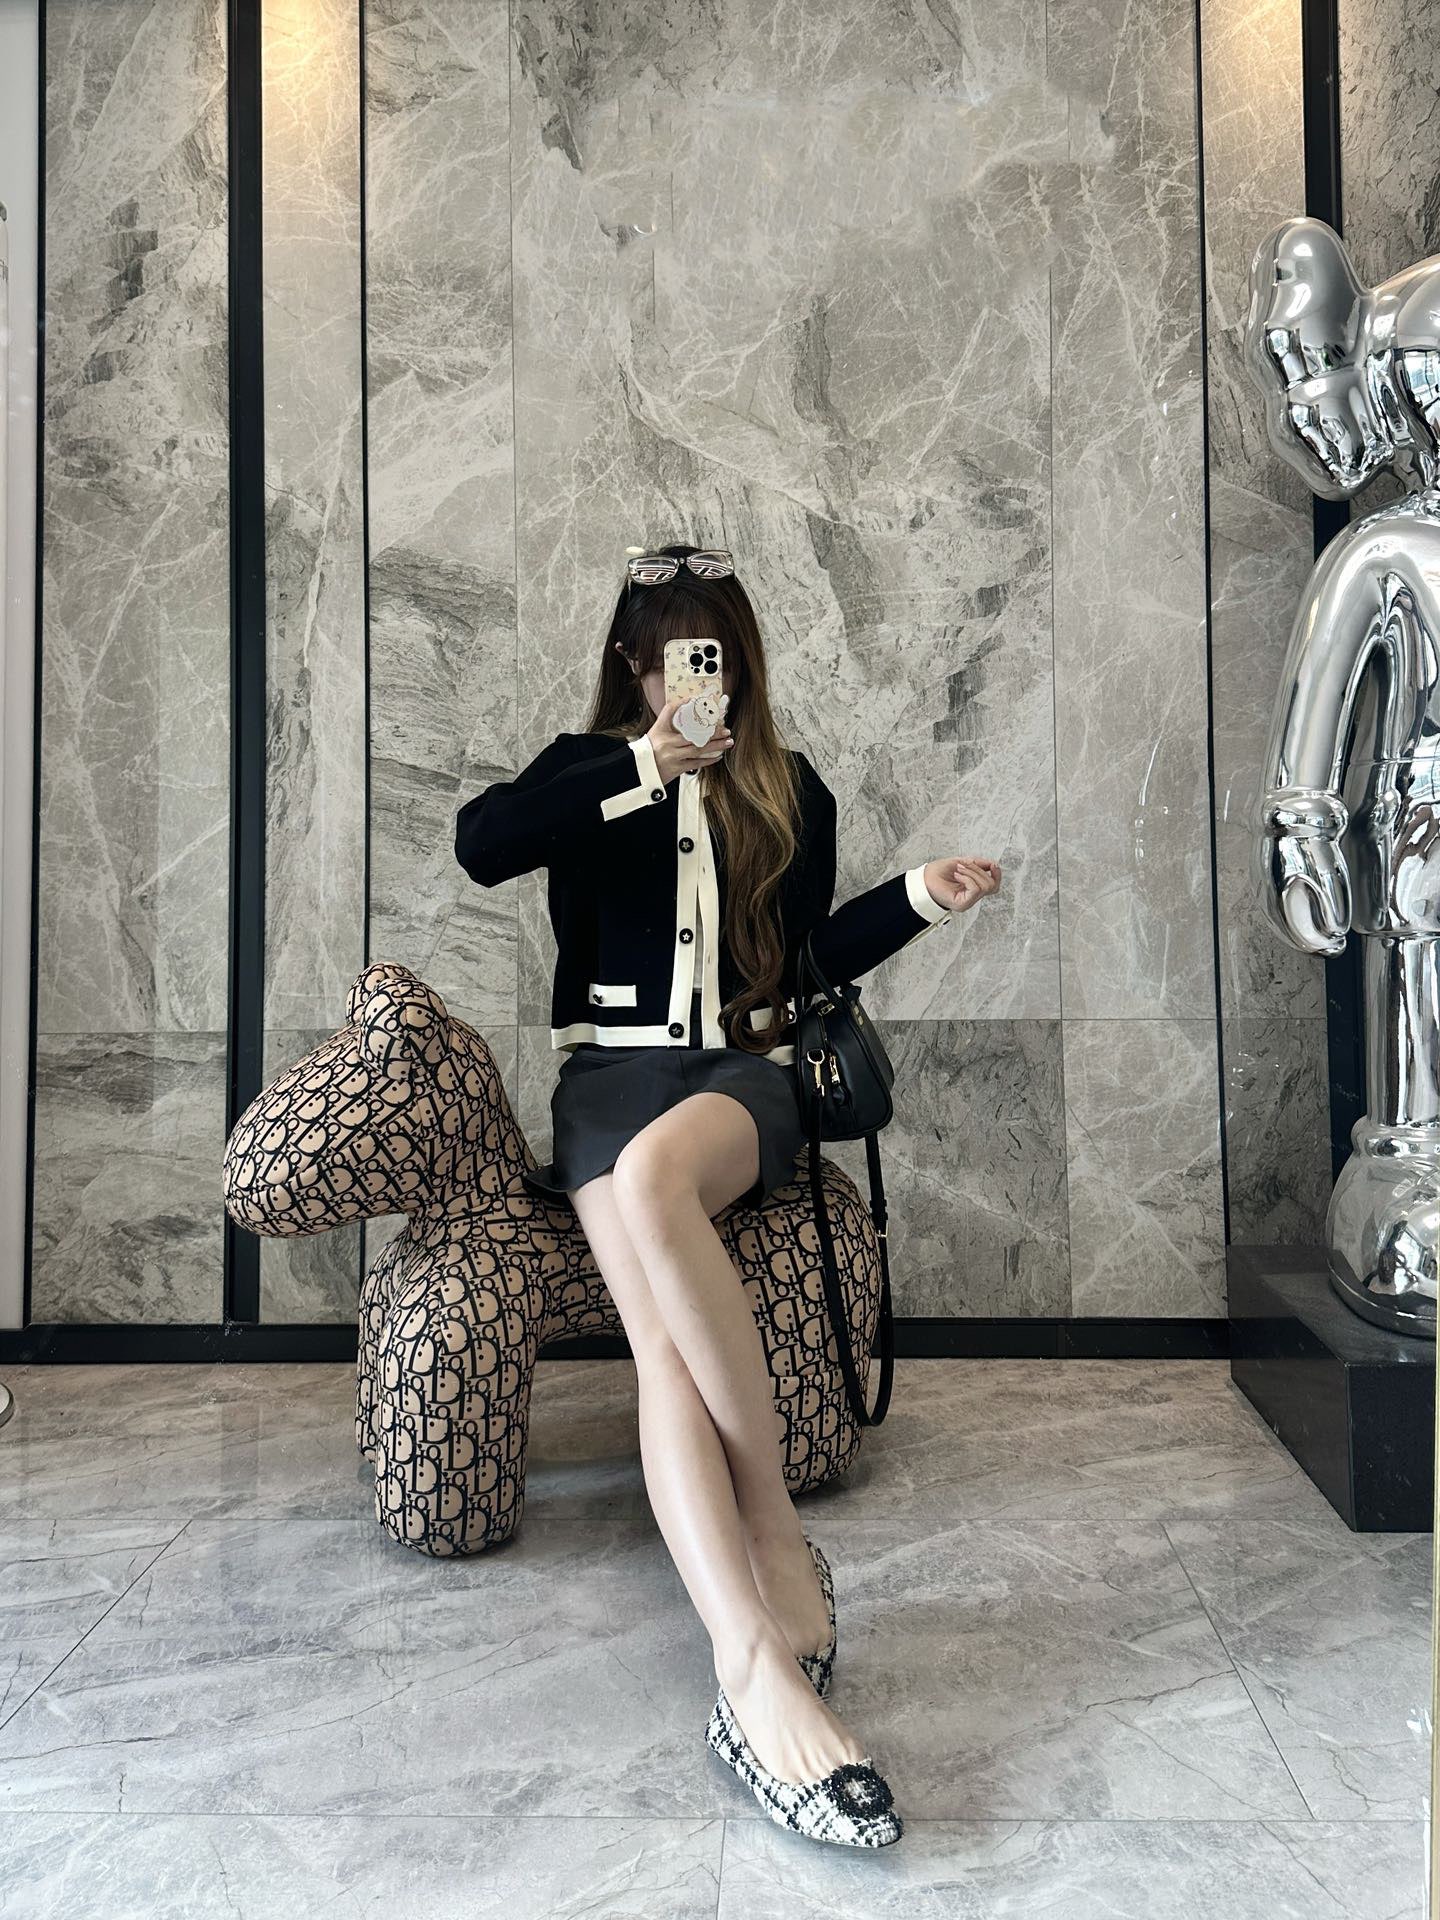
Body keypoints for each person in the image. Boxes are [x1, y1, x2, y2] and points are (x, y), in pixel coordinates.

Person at [453, 543, 1002, 1847]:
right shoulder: (587, 774)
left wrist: (917, 900)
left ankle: (768, 1537)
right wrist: (645, 764)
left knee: (657, 1180)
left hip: (737, 1082)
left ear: (745, 665)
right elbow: (482, 845)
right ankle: (752, 1647)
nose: (696, 681)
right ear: (633, 664)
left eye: (717, 658)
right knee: (660, 1352)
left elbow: (800, 961)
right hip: (606, 1082)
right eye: (670, 658)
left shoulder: (791, 789)